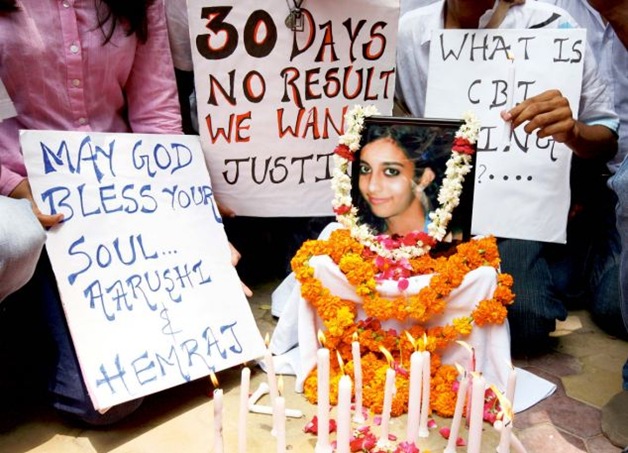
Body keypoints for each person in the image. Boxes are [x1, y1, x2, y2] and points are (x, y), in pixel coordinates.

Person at [396, 0, 621, 355]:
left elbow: (607, 136)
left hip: (517, 212)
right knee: (392, 301)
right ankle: (553, 271)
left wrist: (573, 131)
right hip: (437, 213)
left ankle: (567, 261)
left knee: (526, 322)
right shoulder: (408, 34)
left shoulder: (551, 27)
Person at [0, 0, 182, 425]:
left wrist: (185, 209)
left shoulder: (140, 3)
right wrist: (13, 186)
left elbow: (156, 112)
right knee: (89, 398)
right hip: (21, 199)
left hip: (119, 197)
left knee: (110, 401)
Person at [354, 125, 441, 235]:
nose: (372, 187)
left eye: (391, 171)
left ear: (424, 177)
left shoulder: (449, 239)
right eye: (365, 169)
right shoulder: (353, 236)